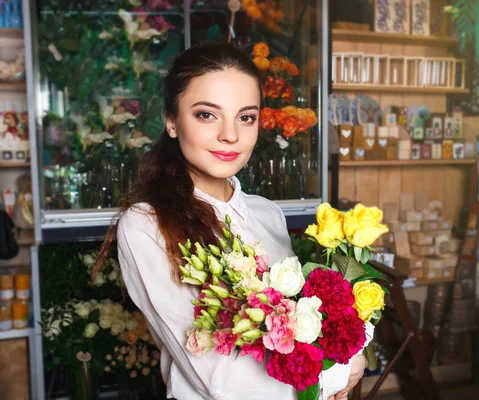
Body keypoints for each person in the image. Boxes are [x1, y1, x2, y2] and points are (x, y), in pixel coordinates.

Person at [96, 43, 365, 400]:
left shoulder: (267, 213)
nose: (231, 135)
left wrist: (347, 348)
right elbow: (217, 377)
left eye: (246, 117)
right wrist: (345, 371)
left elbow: (300, 335)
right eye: (207, 115)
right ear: (172, 121)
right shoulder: (147, 225)